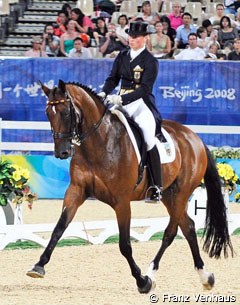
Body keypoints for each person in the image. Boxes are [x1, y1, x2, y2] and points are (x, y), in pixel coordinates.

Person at [98, 21, 163, 202]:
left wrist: (122, 99)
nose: (132, 39)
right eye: (130, 36)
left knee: (149, 139)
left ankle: (156, 186)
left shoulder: (151, 61)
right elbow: (113, 78)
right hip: (120, 102)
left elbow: (145, 88)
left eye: (135, 37)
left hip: (141, 104)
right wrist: (104, 91)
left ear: (144, 38)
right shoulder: (122, 56)